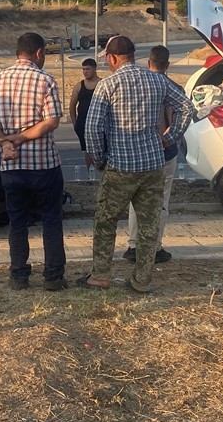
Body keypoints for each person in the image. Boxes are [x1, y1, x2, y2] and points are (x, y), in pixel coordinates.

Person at [80, 35, 191, 293]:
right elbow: (186, 107)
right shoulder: (157, 80)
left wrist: (98, 160)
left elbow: (93, 129)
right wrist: (170, 137)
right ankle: (142, 280)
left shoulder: (107, 86)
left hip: (120, 166)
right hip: (153, 165)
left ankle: (100, 275)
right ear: (134, 56)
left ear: (112, 58)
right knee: (149, 223)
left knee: (106, 221)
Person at [0, 32, 67, 291]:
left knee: (17, 222)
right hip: (44, 166)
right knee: (51, 219)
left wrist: (3, 141)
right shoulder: (46, 81)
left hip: (11, 167)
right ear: (39, 53)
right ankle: (53, 276)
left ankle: (18, 274)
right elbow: (52, 121)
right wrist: (19, 138)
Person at [123, 45, 178, 264]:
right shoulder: (173, 87)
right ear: (168, 64)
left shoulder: (137, 87)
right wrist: (170, 137)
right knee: (161, 201)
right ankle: (155, 246)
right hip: (165, 152)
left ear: (148, 62)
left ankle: (134, 245)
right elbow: (180, 116)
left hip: (140, 151)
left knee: (136, 199)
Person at [67, 58, 100, 152]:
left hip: (99, 125)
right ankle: (90, 167)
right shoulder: (79, 86)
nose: (85, 72)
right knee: (87, 151)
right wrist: (75, 124)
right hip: (83, 125)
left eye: (88, 69)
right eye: (83, 69)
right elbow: (72, 105)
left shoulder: (102, 84)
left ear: (94, 69)